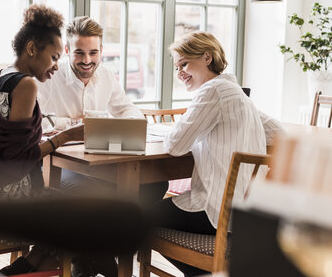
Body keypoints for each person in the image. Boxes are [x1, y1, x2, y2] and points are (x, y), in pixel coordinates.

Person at [0, 4, 83, 276]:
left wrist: (45, 137)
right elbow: (19, 160)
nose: (57, 66)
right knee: (80, 213)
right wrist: (66, 136)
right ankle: (93, 266)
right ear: (32, 49)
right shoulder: (26, 84)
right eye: (54, 57)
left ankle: (23, 269)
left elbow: (6, 138)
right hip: (7, 197)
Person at [151, 31, 270, 276]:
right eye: (176, 67)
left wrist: (183, 123)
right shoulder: (237, 94)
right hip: (246, 214)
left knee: (139, 218)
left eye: (184, 63)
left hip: (212, 210)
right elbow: (278, 132)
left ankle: (203, 274)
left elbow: (175, 145)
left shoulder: (213, 91)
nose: (180, 72)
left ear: (207, 57)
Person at [37, 16, 167, 205]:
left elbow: (127, 108)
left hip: (97, 161)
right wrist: (72, 124)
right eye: (79, 53)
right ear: (67, 50)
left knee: (155, 184)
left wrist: (125, 124)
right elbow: (33, 122)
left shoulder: (105, 75)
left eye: (93, 52)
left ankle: (118, 229)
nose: (87, 60)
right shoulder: (48, 76)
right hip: (56, 161)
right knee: (93, 193)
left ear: (101, 51)